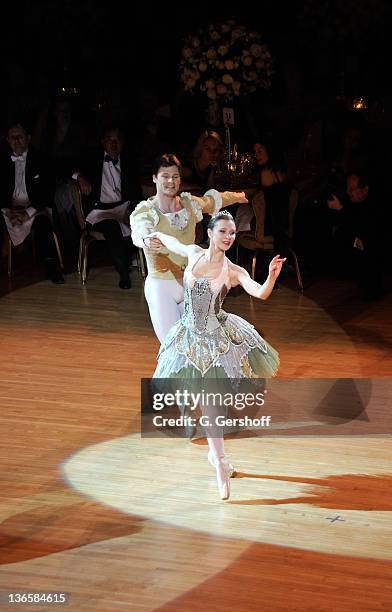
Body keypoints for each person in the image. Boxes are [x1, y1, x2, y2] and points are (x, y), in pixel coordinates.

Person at [148, 210, 284, 500]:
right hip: (187, 335)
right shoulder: (193, 252)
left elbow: (259, 294)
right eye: (222, 231)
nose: (228, 237)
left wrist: (271, 276)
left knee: (211, 401)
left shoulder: (233, 271)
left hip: (215, 340)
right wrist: (155, 235)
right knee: (199, 398)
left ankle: (220, 462)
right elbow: (172, 241)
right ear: (209, 233)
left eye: (232, 233)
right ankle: (216, 455)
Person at [130, 153, 248, 342]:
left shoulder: (189, 204)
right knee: (173, 346)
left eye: (175, 177)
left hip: (189, 284)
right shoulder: (147, 211)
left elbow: (211, 201)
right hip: (161, 286)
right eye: (165, 176)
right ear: (154, 178)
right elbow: (141, 229)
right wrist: (146, 240)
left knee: (196, 344)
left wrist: (237, 196)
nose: (171, 181)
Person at [73, 126, 142, 288]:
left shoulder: (130, 161)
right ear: (103, 142)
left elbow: (136, 192)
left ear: (122, 143)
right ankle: (124, 273)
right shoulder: (91, 158)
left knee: (136, 223)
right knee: (112, 226)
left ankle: (131, 261)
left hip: (122, 208)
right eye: (110, 139)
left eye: (117, 139)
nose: (113, 143)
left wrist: (131, 209)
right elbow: (65, 165)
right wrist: (80, 177)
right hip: (99, 210)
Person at [0, 121, 64, 283]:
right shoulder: (2, 160)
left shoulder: (42, 159)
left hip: (35, 207)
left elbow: (47, 192)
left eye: (19, 136)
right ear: (7, 140)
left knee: (42, 223)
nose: (16, 140)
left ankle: (51, 266)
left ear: (28, 138)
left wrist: (27, 213)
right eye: (12, 137)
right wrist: (9, 211)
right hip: (11, 209)